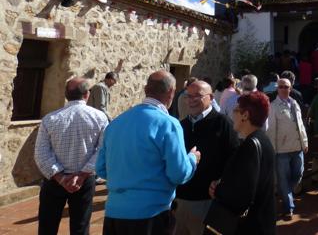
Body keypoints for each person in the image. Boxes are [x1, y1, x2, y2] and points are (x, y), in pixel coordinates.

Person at [96, 71, 200, 235]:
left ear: (145, 89)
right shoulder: (168, 124)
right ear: (171, 92)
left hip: (114, 214)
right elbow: (179, 173)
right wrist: (192, 159)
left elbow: (101, 168)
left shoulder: (116, 123)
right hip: (151, 215)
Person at [34, 78, 108, 235]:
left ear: (66, 94)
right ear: (87, 95)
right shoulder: (100, 117)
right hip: (84, 181)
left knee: (47, 226)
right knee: (80, 227)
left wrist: (60, 177)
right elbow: (103, 150)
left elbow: (41, 153)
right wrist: (82, 175)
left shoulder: (50, 119)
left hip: (54, 181)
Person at [206, 92, 276, 235]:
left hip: (249, 226)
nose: (233, 113)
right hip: (262, 221)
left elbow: (242, 194)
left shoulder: (250, 145)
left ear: (245, 115)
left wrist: (218, 190)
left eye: (236, 109)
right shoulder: (264, 140)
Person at [174, 81, 239, 235]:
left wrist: (222, 181)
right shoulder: (180, 126)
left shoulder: (223, 123)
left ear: (210, 98)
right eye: (189, 96)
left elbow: (234, 158)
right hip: (180, 202)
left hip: (207, 203)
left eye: (197, 96)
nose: (192, 100)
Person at [267, 78, 308, 219]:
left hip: (297, 147)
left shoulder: (294, 103)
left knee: (299, 174)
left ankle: (285, 192)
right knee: (283, 179)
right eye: (281, 87)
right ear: (277, 89)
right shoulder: (272, 106)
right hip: (282, 150)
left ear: (290, 88)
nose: (284, 89)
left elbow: (301, 125)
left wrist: (305, 142)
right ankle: (288, 207)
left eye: (287, 87)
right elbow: (271, 129)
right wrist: (272, 150)